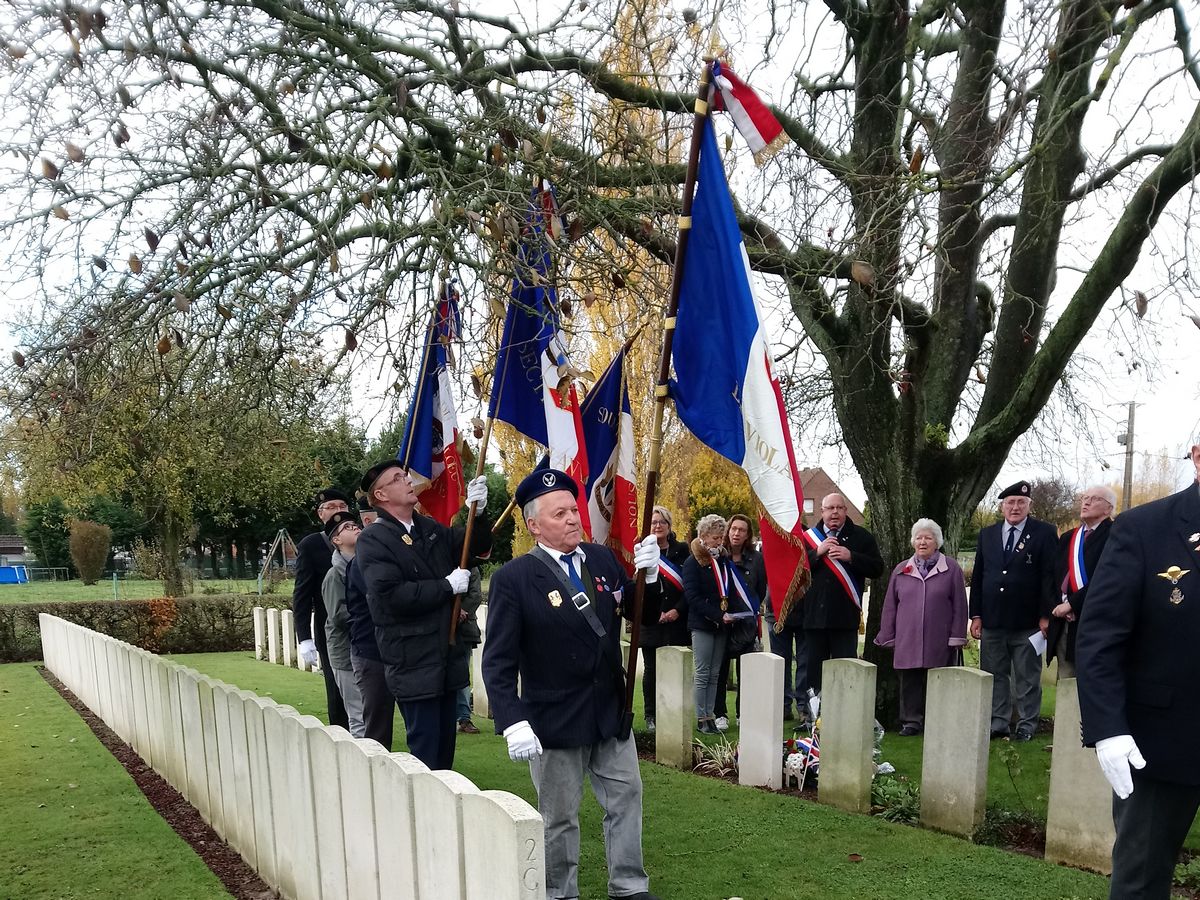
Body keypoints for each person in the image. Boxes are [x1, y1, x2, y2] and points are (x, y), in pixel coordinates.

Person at [482, 468, 662, 900]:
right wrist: (512, 720)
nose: (571, 519)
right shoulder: (514, 578)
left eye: (573, 510)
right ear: (533, 525)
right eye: (559, 513)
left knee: (626, 799)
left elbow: (643, 617)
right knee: (559, 817)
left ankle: (629, 886)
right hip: (554, 718)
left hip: (609, 710)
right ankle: (560, 892)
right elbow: (498, 660)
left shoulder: (602, 560)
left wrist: (650, 579)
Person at [1077, 439, 1200, 898]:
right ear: (1197, 456)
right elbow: (1100, 637)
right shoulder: (1145, 528)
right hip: (1161, 739)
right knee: (1141, 880)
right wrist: (1108, 729)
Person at [355, 460, 491, 770]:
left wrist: (479, 514)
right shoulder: (374, 539)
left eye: (404, 475)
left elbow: (472, 547)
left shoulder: (428, 529)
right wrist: (445, 586)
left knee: (444, 754)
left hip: (445, 656)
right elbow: (390, 595)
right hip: (413, 660)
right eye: (397, 478)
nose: (407, 480)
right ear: (381, 495)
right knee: (426, 755)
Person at [969, 480, 1057, 741]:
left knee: (1027, 677)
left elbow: (1049, 577)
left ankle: (1026, 725)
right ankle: (999, 722)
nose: (1015, 507)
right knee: (995, 674)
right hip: (993, 620)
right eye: (1010, 502)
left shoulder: (1044, 532)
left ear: (1029, 505)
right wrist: (976, 615)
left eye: (1021, 502)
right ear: (1002, 507)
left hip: (1028, 621)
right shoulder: (988, 534)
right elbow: (979, 576)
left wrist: (1046, 615)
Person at [873, 518, 968, 735]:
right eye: (918, 538)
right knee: (909, 682)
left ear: (937, 542)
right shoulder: (901, 569)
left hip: (939, 637)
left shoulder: (951, 568)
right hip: (908, 637)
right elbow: (890, 605)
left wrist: (957, 636)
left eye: (928, 538)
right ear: (913, 541)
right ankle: (911, 722)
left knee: (939, 680)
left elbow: (960, 605)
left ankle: (939, 720)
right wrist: (888, 634)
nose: (922, 542)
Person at [802, 493, 883, 696]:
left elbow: (877, 568)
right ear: (822, 511)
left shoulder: (861, 536)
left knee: (846, 674)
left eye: (839, 508)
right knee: (814, 676)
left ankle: (845, 711)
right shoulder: (807, 538)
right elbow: (793, 572)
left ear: (846, 511)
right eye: (830, 508)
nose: (835, 512)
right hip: (815, 618)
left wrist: (851, 556)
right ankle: (814, 712)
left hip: (845, 619)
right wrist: (816, 553)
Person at [292, 487, 350, 729]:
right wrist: (304, 637)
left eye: (342, 506)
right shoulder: (311, 545)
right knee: (336, 691)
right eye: (331, 507)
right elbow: (302, 593)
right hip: (330, 627)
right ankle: (341, 734)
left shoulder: (362, 538)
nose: (337, 511)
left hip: (363, 626)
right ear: (320, 514)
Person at [1046, 485, 1114, 679]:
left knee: (1091, 679)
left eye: (1095, 499)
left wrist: (1072, 605)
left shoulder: (1115, 535)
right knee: (1066, 678)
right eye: (1084, 498)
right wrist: (1057, 605)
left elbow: (1107, 578)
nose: (1086, 502)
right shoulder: (1069, 537)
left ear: (1108, 509)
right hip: (1063, 621)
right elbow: (1053, 576)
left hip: (1094, 621)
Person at [684, 514, 740, 734]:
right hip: (703, 624)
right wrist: (717, 615)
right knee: (702, 672)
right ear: (703, 536)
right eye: (715, 537)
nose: (719, 541)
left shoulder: (723, 560)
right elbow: (692, 596)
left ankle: (711, 716)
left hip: (722, 624)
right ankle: (702, 718)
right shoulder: (693, 562)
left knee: (715, 674)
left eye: (720, 537)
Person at [639, 506, 690, 733]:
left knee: (675, 670)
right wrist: (655, 612)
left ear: (669, 526)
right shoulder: (642, 549)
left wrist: (677, 610)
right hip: (651, 621)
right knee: (651, 670)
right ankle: (651, 715)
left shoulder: (683, 550)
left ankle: (673, 713)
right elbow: (638, 586)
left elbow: (690, 586)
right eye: (653, 522)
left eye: (662, 522)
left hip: (677, 620)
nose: (657, 526)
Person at [713, 513, 765, 730]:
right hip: (722, 621)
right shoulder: (718, 555)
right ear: (728, 531)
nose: (736, 533)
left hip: (746, 623)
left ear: (747, 535)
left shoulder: (757, 559)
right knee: (720, 669)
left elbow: (761, 589)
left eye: (741, 530)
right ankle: (720, 713)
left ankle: (743, 713)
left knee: (746, 671)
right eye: (734, 529)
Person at [319, 510, 366, 737]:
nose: (355, 527)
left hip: (367, 648)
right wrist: (372, 614)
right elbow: (338, 615)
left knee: (372, 711)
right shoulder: (334, 575)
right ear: (336, 540)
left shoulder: (366, 566)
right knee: (358, 714)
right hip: (345, 651)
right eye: (347, 527)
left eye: (355, 524)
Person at [455, 567, 484, 734]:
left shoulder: (470, 567)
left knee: (462, 674)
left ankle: (464, 717)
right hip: (438, 627)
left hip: (464, 628)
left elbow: (475, 595)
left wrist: (460, 611)